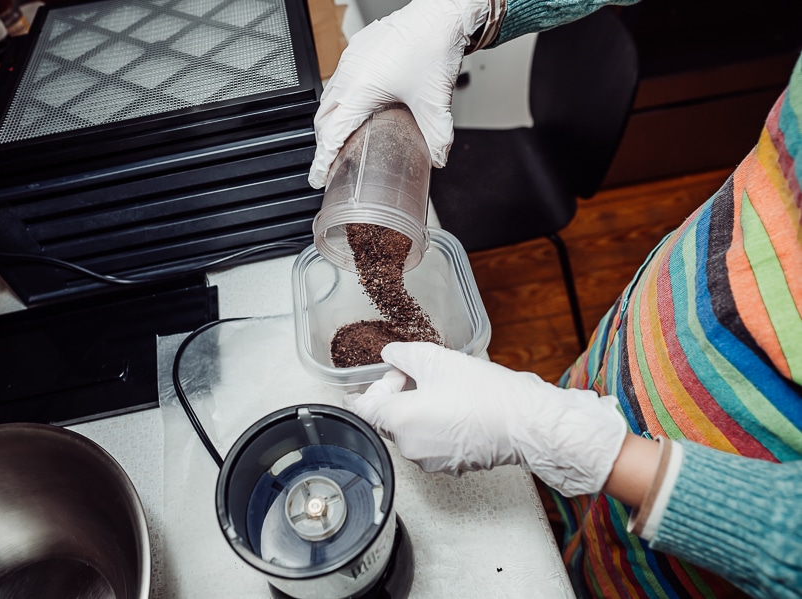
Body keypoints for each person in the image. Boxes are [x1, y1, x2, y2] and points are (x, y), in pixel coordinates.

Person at [308, 0, 802, 598]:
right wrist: (472, 9)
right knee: (550, 522)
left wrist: (594, 452)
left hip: (708, 537)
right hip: (636, 357)